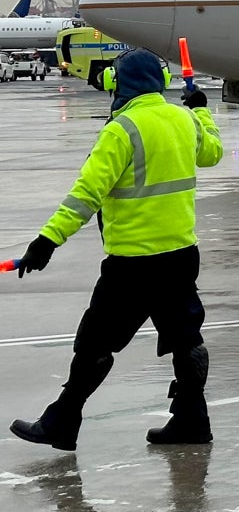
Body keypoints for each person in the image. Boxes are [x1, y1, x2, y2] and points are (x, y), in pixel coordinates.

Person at [10, 49, 223, 451]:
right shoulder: (183, 118)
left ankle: (62, 420)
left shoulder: (121, 130)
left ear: (120, 84)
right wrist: (201, 112)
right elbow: (212, 153)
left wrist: (47, 242)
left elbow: (86, 194)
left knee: (95, 343)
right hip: (180, 254)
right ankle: (192, 420)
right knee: (186, 338)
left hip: (133, 264)